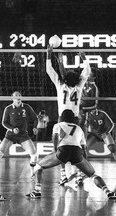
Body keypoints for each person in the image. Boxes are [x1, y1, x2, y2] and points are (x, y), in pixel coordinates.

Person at [25, 109, 116, 200]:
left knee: (38, 166)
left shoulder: (58, 125)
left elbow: (55, 137)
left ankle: (37, 190)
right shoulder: (79, 128)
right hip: (77, 152)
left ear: (62, 117)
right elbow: (84, 149)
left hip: (63, 151)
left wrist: (55, 150)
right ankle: (108, 192)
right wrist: (84, 164)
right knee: (93, 175)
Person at [46, 44, 91, 184]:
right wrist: (84, 58)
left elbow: (50, 70)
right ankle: (78, 175)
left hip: (62, 120)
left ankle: (63, 175)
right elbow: (87, 71)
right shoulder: (79, 86)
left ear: (65, 79)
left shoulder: (60, 85)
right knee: (76, 147)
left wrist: (48, 54)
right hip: (75, 120)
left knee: (61, 148)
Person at [0, 91, 38, 175]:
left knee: (34, 155)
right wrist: (12, 129)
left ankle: (32, 171)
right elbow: (4, 122)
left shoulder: (26, 107)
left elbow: (35, 118)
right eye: (16, 95)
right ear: (12, 98)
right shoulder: (8, 108)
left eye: (19, 95)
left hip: (23, 135)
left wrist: (35, 127)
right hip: (11, 135)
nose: (18, 96)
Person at [86, 108, 116, 178]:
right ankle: (84, 169)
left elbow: (111, 124)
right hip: (95, 134)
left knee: (112, 148)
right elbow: (87, 126)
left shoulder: (102, 114)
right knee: (83, 148)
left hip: (104, 132)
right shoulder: (88, 115)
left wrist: (106, 133)